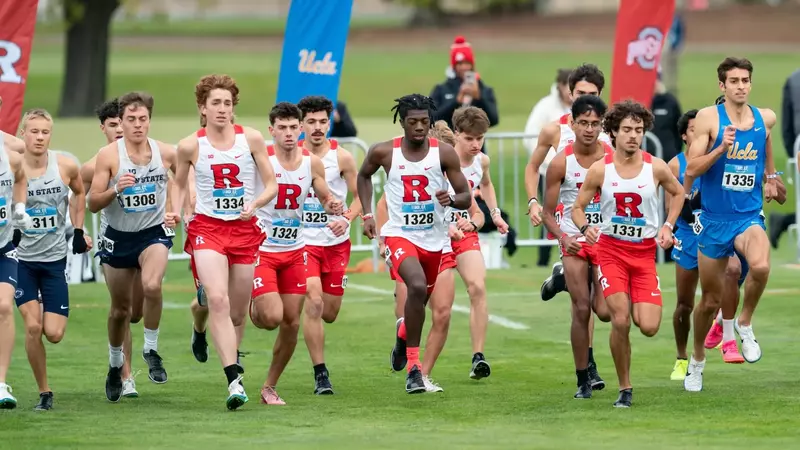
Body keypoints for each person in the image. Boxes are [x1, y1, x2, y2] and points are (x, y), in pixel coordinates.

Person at [171, 74, 278, 410]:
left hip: (244, 231)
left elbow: (271, 184)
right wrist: (175, 212)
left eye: (227, 103)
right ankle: (234, 379)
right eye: (215, 103)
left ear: (234, 109)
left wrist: (255, 204)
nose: (221, 109)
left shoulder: (252, 139)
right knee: (217, 299)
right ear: (203, 108)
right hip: (207, 228)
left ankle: (200, 329)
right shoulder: (190, 145)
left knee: (236, 311)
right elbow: (177, 183)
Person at [572, 99, 684, 408]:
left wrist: (668, 226)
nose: (633, 136)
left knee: (648, 326)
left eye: (638, 130)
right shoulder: (600, 170)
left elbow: (679, 193)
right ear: (613, 133)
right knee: (620, 320)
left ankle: (628, 294)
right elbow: (577, 208)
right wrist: (585, 230)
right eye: (626, 130)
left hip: (644, 255)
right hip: (610, 252)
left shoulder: (656, 167)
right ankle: (625, 387)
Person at [357, 94, 472, 393]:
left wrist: (453, 199)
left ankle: (402, 334)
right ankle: (414, 371)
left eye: (424, 122)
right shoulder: (384, 152)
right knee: (417, 286)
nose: (419, 127)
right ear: (402, 123)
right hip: (399, 235)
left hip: (433, 240)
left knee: (418, 303)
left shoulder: (444, 153)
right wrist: (368, 214)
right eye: (413, 122)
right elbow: (363, 176)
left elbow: (465, 195)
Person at [683, 57, 779, 393]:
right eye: (734, 81)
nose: (741, 86)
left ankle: (744, 323)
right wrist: (721, 147)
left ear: (751, 84)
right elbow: (691, 168)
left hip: (747, 217)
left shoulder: (764, 116)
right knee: (709, 301)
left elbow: (765, 134)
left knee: (762, 266)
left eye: (746, 80)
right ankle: (696, 361)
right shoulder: (708, 119)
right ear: (721, 86)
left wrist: (771, 175)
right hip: (713, 220)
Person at [248, 102, 343, 405]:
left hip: (294, 250)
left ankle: (269, 387)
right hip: (262, 249)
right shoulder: (260, 160)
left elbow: (324, 193)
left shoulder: (312, 163)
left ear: (299, 129)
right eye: (282, 128)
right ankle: (247, 301)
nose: (288, 133)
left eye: (293, 127)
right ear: (271, 130)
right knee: (272, 316)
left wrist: (332, 206)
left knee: (291, 322)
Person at [89, 92, 179, 402]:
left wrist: (176, 207)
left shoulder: (165, 153)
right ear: (122, 123)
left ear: (149, 121)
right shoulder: (109, 156)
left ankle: (150, 349)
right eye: (131, 120)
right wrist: (115, 189)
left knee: (152, 284)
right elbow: (91, 202)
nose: (138, 125)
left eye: (143, 119)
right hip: (117, 237)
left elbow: (185, 178)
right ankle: (116, 365)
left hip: (152, 233)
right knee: (122, 311)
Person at [13, 109, 92, 410]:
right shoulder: (11, 167)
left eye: (45, 132)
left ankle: (41, 306)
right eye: (34, 131)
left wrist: (79, 230)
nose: (40, 137)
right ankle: (45, 392)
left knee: (54, 334)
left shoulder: (65, 165)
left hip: (54, 261)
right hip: (20, 262)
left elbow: (79, 193)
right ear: (23, 133)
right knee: (33, 328)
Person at [541, 95, 612, 398]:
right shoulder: (561, 162)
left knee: (605, 311)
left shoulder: (612, 156)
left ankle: (562, 281)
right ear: (571, 124)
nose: (589, 129)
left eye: (595, 124)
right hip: (574, 240)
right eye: (583, 123)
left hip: (605, 241)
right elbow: (547, 212)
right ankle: (582, 379)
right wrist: (563, 237)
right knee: (582, 309)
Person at [524, 64, 612, 291]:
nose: (587, 99)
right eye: (581, 94)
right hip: (570, 218)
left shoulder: (611, 129)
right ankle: (568, 272)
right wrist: (533, 201)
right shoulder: (554, 130)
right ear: (570, 94)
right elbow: (533, 167)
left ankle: (562, 275)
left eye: (593, 95)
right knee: (582, 299)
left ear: (600, 95)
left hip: (605, 215)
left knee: (603, 304)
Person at [296, 96, 361, 396]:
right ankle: (320, 373)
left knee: (330, 312)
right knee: (315, 302)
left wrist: (347, 219)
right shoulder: (290, 156)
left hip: (336, 243)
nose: (318, 127)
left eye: (323, 121)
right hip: (301, 242)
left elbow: (361, 196)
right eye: (311, 122)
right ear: (301, 124)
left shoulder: (343, 158)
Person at [80, 99, 142, 398]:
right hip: (113, 241)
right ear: (103, 128)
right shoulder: (94, 165)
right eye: (113, 124)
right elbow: (78, 197)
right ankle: (124, 374)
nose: (120, 129)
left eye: (123, 123)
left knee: (137, 313)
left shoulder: (146, 154)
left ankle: (123, 356)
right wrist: (79, 230)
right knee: (122, 308)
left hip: (145, 237)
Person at [0, 124, 31, 409]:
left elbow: (20, 179)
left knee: (5, 307)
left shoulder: (10, 154)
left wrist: (19, 208)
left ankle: (0, 383)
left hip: (3, 247)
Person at [429, 36, 499, 133]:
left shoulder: (485, 90)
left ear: (472, 65)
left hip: (475, 145)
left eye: (467, 63)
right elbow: (432, 118)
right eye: (460, 64)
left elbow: (494, 120)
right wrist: (456, 101)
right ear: (454, 66)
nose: (464, 67)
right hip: (449, 144)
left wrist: (479, 98)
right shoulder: (441, 89)